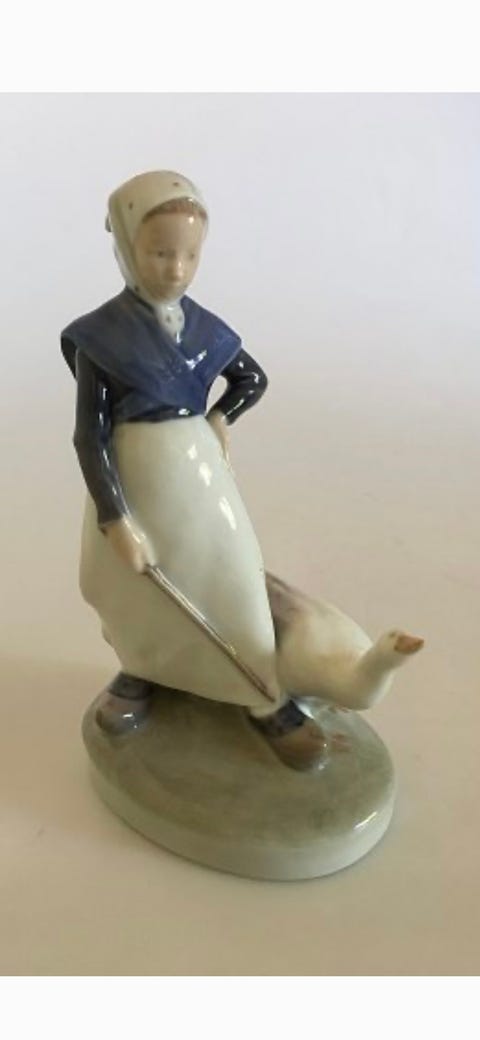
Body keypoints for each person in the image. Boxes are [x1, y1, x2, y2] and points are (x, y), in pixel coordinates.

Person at [61, 170, 327, 770]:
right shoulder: (102, 337)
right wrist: (115, 519)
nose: (176, 269)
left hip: (196, 475)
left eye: (189, 255)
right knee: (135, 589)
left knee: (229, 571)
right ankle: (141, 670)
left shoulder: (204, 327)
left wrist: (220, 416)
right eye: (159, 253)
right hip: (133, 481)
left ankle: (262, 692)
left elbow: (250, 379)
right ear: (126, 249)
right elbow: (89, 436)